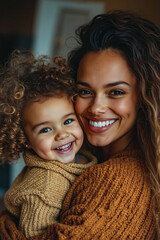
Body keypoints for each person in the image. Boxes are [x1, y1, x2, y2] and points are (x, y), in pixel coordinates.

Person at [0, 9, 160, 239]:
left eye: (115, 92)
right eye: (84, 91)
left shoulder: (117, 179)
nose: (96, 107)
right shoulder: (83, 156)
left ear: (144, 98)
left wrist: (6, 224)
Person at [0, 50, 97, 238]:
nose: (62, 134)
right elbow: (34, 236)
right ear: (25, 140)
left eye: (68, 121)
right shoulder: (45, 189)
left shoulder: (84, 152)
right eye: (45, 129)